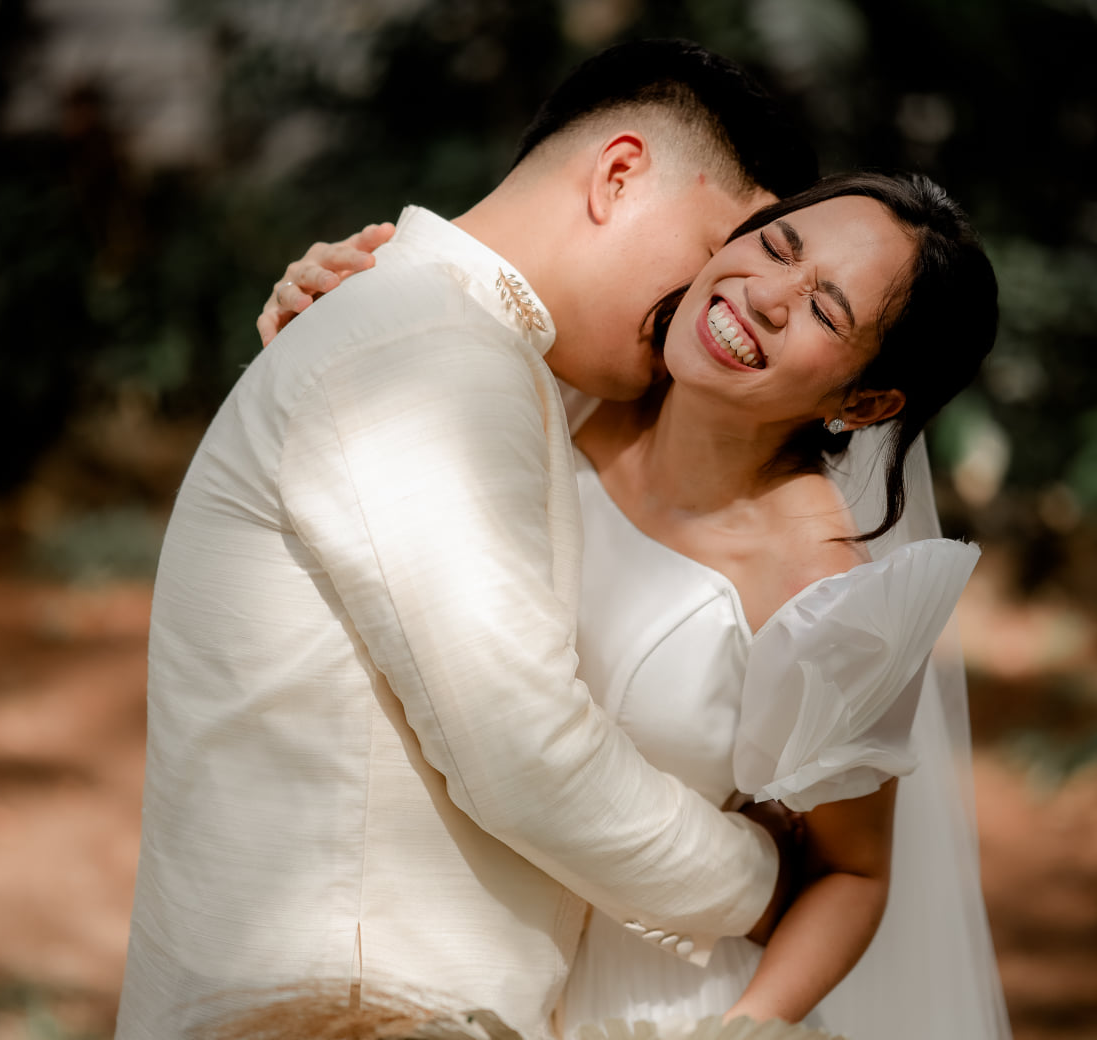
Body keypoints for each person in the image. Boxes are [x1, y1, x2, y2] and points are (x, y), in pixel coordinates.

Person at [116, 40, 820, 1040]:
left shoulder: (446, 335)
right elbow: (524, 751)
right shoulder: (431, 348)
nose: (712, 297)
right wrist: (764, 878)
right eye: (715, 249)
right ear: (619, 175)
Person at [264, 173, 1013, 1038]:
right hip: (431, 936)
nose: (767, 297)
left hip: (649, 1003)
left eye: (824, 310)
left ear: (865, 401)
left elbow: (852, 876)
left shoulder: (826, 597)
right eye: (776, 247)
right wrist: (326, 308)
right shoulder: (558, 379)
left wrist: (744, 1026)